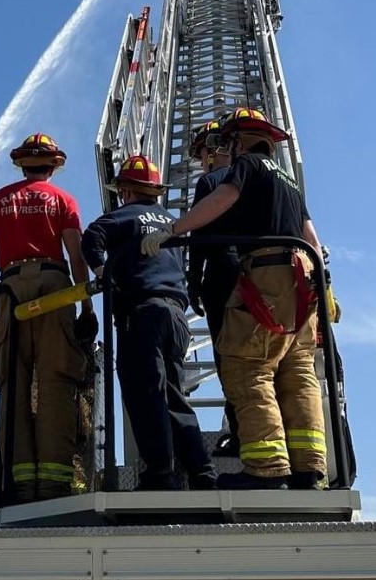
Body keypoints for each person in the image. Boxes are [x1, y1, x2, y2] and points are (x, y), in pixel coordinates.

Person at [141, 108, 327, 490]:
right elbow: (312, 237)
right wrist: (323, 287)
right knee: (297, 374)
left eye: (230, 141)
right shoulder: (288, 180)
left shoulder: (248, 166)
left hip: (266, 274)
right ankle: (309, 469)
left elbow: (223, 199)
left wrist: (173, 229)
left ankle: (266, 468)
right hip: (304, 279)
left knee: (247, 366)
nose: (226, 148)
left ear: (241, 140)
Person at [0, 133, 96, 504]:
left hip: (10, 290)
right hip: (54, 286)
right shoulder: (63, 199)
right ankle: (53, 482)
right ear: (53, 166)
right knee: (55, 380)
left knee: (14, 384)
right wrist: (86, 307)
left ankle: (21, 482)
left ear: (21, 164)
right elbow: (76, 254)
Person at [82, 155, 217, 491]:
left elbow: (91, 238)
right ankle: (202, 472)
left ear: (126, 190)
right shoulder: (172, 221)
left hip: (140, 313)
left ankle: (160, 474)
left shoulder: (120, 216)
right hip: (176, 316)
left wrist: (104, 273)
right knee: (174, 394)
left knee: (146, 396)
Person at [186, 116, 241, 457]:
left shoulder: (211, 183)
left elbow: (199, 234)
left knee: (228, 358)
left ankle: (240, 435)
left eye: (203, 153)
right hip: (261, 276)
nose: (203, 161)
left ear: (215, 149)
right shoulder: (260, 178)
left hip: (222, 274)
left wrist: (194, 281)